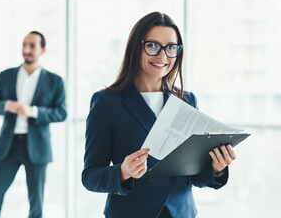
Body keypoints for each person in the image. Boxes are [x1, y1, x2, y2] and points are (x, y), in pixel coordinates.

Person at [82, 12, 236, 218]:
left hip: (181, 213)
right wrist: (123, 172)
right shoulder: (107, 102)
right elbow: (90, 176)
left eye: (171, 47)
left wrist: (216, 168)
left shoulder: (187, 100)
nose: (162, 56)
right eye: (153, 46)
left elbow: (194, 176)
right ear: (137, 48)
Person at [0, 31, 67, 218]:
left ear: (42, 50)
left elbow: (62, 113)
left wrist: (34, 111)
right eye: (24, 45)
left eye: (32, 46)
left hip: (37, 147)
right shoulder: (6, 76)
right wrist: (7, 105)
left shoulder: (55, 81)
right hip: (8, 145)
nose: (26, 50)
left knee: (36, 204)